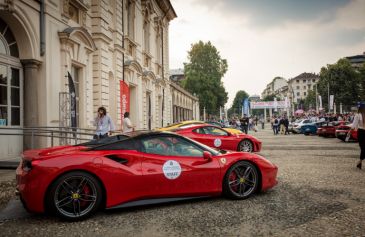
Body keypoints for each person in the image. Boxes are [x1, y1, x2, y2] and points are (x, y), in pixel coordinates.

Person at [350, 102, 365, 169]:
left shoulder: (357, 115)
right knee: (363, 148)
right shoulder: (358, 115)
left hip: (361, 132)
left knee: (363, 148)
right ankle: (360, 161)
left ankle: (360, 161)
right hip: (362, 131)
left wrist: (350, 131)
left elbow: (354, 125)